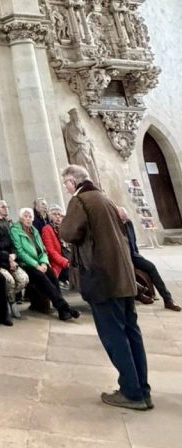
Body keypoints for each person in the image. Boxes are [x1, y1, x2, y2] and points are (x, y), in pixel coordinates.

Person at [60, 165, 151, 410]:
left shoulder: (81, 200)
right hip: (123, 277)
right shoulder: (104, 198)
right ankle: (142, 389)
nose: (65, 188)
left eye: (65, 183)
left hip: (103, 279)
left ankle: (131, 393)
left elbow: (68, 232)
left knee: (114, 335)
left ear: (73, 182)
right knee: (131, 332)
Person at [10, 207, 79, 322]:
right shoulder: (15, 230)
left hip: (39, 262)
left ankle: (62, 311)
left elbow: (42, 250)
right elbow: (20, 252)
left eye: (30, 216)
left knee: (53, 277)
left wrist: (44, 262)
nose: (28, 219)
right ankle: (65, 307)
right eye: (26, 216)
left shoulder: (34, 230)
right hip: (26, 264)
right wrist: (36, 265)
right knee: (43, 279)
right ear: (21, 218)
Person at [117, 206, 180, 312]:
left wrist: (137, 254)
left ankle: (168, 299)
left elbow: (133, 241)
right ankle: (140, 294)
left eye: (125, 219)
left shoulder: (128, 223)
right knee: (127, 273)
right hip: (121, 258)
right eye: (122, 219)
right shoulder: (114, 226)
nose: (124, 221)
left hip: (133, 255)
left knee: (151, 267)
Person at [41, 204, 70, 285]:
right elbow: (51, 251)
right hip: (58, 263)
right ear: (50, 216)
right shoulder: (47, 229)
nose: (58, 216)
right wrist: (65, 262)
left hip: (68, 258)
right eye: (55, 214)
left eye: (59, 214)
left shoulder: (65, 228)